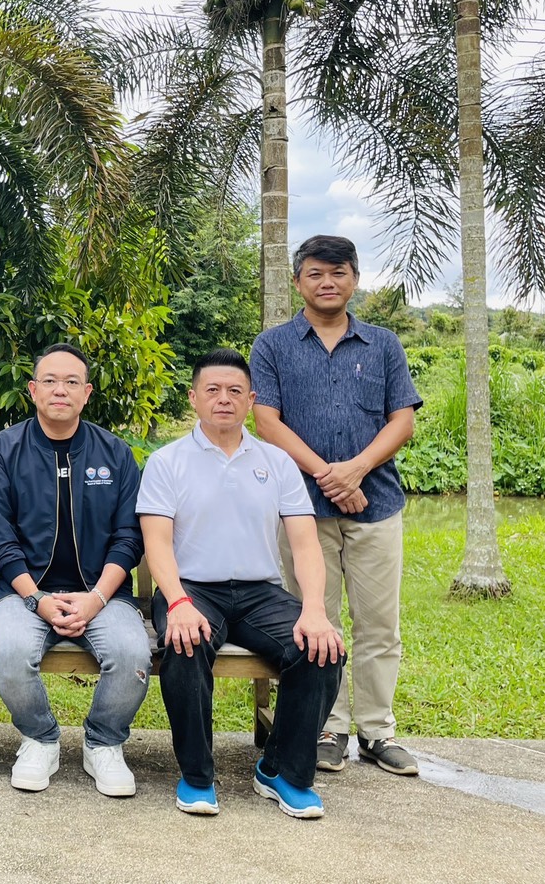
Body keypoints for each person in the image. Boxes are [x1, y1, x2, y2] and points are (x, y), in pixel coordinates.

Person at [139, 349, 344, 819]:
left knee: (322, 648)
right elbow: (157, 544)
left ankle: (282, 771)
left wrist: (314, 609)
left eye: (235, 391)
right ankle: (197, 776)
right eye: (212, 390)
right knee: (185, 643)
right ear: (193, 398)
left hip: (259, 592)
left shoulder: (277, 462)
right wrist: (178, 603)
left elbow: (306, 545)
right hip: (191, 588)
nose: (224, 399)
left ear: (251, 400)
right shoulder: (167, 461)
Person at [251, 235, 422, 777]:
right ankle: (327, 727)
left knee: (379, 624)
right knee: (314, 620)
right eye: (316, 273)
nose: (328, 282)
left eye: (339, 272)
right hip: (302, 509)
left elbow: (402, 420)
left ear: (354, 279)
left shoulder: (384, 345)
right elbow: (267, 422)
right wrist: (330, 475)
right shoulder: (273, 346)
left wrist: (356, 470)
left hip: (377, 503)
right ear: (298, 281)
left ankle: (377, 730)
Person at [0, 343, 152, 796]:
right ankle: (40, 738)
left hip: (102, 593)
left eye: (72, 382)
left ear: (86, 393)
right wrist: (36, 598)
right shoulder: (3, 450)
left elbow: (129, 537)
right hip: (22, 592)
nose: (60, 390)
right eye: (49, 381)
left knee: (131, 654)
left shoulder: (115, 453)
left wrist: (97, 598)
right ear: (32, 390)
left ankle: (103, 742)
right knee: (10, 652)